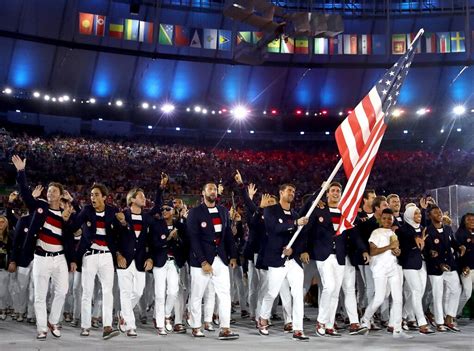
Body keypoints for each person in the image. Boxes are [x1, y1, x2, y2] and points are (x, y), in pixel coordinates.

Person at [11, 155, 76, 340]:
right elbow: (24, 192)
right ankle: (41, 327)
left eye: (54, 191)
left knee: (62, 291)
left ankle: (53, 321)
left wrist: (72, 259)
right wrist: (21, 172)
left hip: (60, 258)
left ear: (61, 194)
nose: (50, 193)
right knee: (39, 295)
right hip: (40, 257)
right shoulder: (39, 206)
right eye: (49, 191)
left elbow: (71, 236)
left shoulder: (66, 213)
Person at [301, 182, 368, 337]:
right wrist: (304, 249)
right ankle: (321, 321)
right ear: (327, 193)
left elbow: (355, 234)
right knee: (329, 287)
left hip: (340, 255)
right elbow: (307, 231)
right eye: (333, 190)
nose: (336, 193)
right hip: (323, 255)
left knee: (335, 292)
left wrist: (363, 249)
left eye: (338, 190)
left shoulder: (346, 212)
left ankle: (329, 325)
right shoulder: (318, 210)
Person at [186, 182, 239, 340]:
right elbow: (193, 239)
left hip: (221, 259)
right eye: (210, 189)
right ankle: (196, 326)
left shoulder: (222, 211)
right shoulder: (195, 212)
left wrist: (233, 255)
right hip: (201, 261)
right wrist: (202, 261)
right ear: (203, 193)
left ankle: (225, 328)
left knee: (224, 294)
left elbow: (228, 235)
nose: (213, 191)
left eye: (215, 189)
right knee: (197, 294)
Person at [258, 183, 309, 341]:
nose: (292, 193)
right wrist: (295, 224)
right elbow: (274, 228)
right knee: (272, 292)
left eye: (294, 191)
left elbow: (300, 238)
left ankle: (298, 328)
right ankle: (263, 318)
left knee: (297, 294)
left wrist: (293, 250)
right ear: (281, 192)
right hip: (276, 258)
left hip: (293, 260)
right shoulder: (270, 211)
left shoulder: (295, 214)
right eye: (289, 191)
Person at [69, 183, 121, 340]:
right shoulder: (86, 210)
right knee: (87, 292)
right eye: (91, 195)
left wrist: (123, 223)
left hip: (106, 256)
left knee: (107, 292)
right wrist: (68, 215)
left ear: (104, 197)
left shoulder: (113, 211)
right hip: (89, 255)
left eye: (96, 194)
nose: (93, 197)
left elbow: (119, 234)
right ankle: (85, 326)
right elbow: (73, 226)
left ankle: (107, 327)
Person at [116, 176, 166, 337]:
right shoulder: (122, 215)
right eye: (141, 196)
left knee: (138, 292)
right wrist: (117, 255)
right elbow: (114, 238)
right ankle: (130, 326)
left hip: (139, 261)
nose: (145, 199)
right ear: (132, 199)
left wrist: (161, 188)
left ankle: (123, 314)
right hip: (124, 259)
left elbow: (158, 207)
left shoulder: (147, 217)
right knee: (125, 292)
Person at [361, 209, 412, 338]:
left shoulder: (393, 233)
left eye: (390, 219)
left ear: (393, 220)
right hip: (379, 269)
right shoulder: (376, 233)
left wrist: (397, 251)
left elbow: (396, 249)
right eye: (384, 218)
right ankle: (365, 319)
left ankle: (397, 329)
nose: (387, 221)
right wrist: (389, 247)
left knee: (398, 298)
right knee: (379, 297)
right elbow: (372, 251)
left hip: (393, 268)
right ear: (380, 219)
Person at [150, 200, 188, 335]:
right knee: (159, 294)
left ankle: (167, 314)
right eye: (163, 209)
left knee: (173, 291)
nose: (164, 211)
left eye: (167, 209)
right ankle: (161, 324)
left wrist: (177, 239)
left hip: (173, 262)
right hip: (159, 262)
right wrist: (167, 238)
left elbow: (185, 244)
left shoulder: (180, 226)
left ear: (173, 211)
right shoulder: (156, 225)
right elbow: (154, 243)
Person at [424, 206, 463, 332]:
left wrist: (459, 247)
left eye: (440, 212)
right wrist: (439, 264)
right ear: (430, 216)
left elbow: (453, 243)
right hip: (435, 268)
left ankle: (450, 317)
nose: (439, 214)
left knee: (456, 290)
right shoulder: (427, 231)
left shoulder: (448, 229)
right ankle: (439, 322)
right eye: (435, 212)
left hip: (450, 265)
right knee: (438, 294)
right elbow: (428, 251)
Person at [396, 206, 432, 334]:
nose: (419, 215)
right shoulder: (403, 229)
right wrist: (416, 239)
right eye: (416, 213)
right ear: (410, 215)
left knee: (419, 292)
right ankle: (422, 323)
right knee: (416, 290)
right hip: (408, 263)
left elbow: (423, 242)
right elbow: (409, 237)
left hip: (421, 263)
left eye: (419, 214)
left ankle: (402, 317)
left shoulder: (422, 229)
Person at [455, 212, 474, 317]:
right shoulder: (460, 234)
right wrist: (463, 266)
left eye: (473, 219)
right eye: (469, 220)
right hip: (466, 269)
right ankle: (454, 313)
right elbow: (459, 253)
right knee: (466, 293)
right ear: (464, 222)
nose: (472, 221)